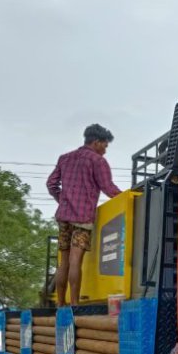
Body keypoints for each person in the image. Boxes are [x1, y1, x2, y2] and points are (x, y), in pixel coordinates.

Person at [47, 124, 122, 306]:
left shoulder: (65, 158)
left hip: (64, 216)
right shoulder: (97, 161)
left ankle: (60, 304)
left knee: (63, 261)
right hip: (82, 218)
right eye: (104, 145)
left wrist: (63, 200)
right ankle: (74, 303)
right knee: (75, 261)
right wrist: (127, 197)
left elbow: (51, 184)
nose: (104, 151)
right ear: (96, 142)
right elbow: (108, 187)